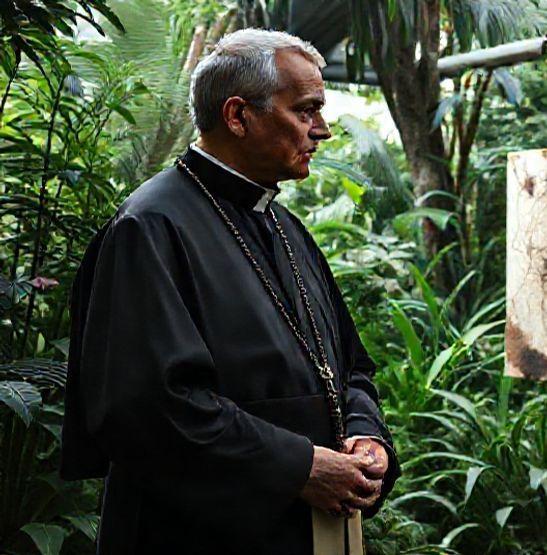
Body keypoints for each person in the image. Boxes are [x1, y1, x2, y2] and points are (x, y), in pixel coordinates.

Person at [60, 29, 399, 553]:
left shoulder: (287, 227)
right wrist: (299, 466)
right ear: (239, 116)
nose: (323, 130)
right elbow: (146, 407)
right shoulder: (150, 226)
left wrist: (365, 435)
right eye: (306, 111)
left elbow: (351, 366)